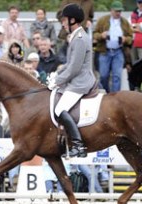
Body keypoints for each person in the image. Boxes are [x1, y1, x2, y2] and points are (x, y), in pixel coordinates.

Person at [47, 3, 96, 158]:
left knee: (59, 109)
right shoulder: (75, 37)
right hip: (75, 80)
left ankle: (78, 145)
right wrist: (57, 74)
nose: (62, 23)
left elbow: (74, 68)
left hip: (80, 82)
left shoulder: (80, 39)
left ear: (73, 20)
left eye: (64, 20)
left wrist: (57, 81)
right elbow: (70, 64)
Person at [93, 1, 132, 93]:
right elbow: (95, 34)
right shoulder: (102, 20)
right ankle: (106, 93)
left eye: (120, 11)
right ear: (111, 11)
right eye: (116, 11)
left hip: (118, 51)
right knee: (103, 75)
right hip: (105, 51)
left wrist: (125, 39)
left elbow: (131, 37)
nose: (118, 13)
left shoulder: (125, 22)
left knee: (117, 76)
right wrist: (101, 36)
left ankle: (115, 96)